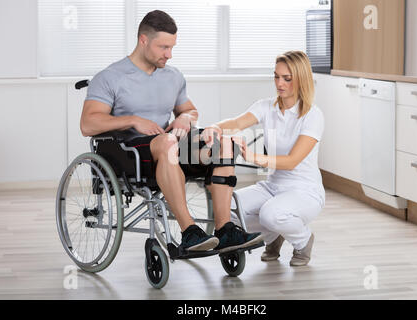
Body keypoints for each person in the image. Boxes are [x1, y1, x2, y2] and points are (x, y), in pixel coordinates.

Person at [80, 10, 262, 253]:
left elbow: (189, 109)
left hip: (170, 145)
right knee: (167, 142)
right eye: (163, 47)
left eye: (172, 47)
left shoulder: (173, 76)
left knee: (224, 144)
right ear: (143, 40)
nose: (169, 54)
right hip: (130, 151)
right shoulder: (110, 77)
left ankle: (225, 229)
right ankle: (189, 232)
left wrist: (184, 118)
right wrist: (133, 120)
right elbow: (88, 124)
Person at [203, 51, 325, 266]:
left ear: (301, 79)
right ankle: (273, 236)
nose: (280, 83)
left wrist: (254, 157)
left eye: (287, 78)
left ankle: (303, 241)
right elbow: (236, 122)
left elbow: (292, 160)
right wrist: (214, 127)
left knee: (271, 214)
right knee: (225, 208)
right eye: (276, 76)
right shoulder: (266, 106)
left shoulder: (312, 115)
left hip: (304, 191)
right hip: (272, 186)